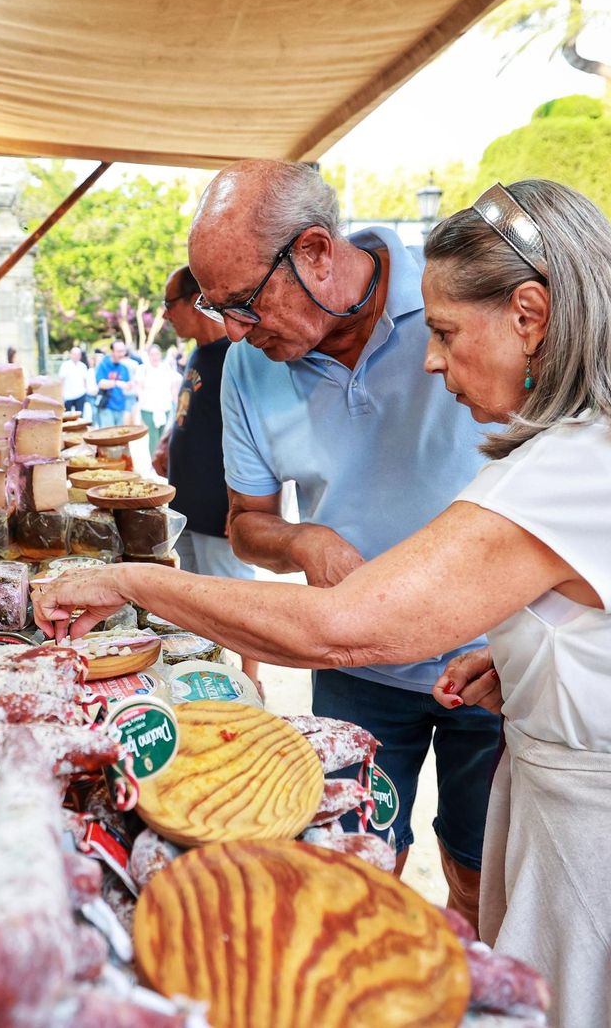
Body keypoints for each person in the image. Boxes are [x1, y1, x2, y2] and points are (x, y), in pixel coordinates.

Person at [36, 178, 611, 1028]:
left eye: (450, 334)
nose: (430, 359)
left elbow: (341, 629)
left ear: (529, 315)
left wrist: (131, 580)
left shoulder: (581, 468)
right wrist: (535, 649)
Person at [173, 160, 499, 922]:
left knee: (483, 869)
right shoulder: (245, 370)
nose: (233, 333)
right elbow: (246, 522)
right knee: (352, 862)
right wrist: (302, 541)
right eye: (218, 310)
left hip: (492, 658)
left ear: (317, 251)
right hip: (355, 663)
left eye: (245, 304)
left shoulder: (450, 299)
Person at [152, 265, 263, 689]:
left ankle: (251, 679)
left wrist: (243, 507)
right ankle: (211, 672)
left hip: (222, 507)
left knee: (236, 600)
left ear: (195, 300)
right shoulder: (200, 352)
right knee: (198, 602)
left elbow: (256, 435)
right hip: (190, 505)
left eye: (168, 305)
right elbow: (191, 413)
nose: (165, 317)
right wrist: (167, 439)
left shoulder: (241, 355)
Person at [132, 343, 181, 454]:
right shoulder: (142, 369)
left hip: (165, 406)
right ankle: (154, 461)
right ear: (148, 356)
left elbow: (173, 386)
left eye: (157, 354)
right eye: (152, 354)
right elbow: (138, 387)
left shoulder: (166, 368)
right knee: (153, 436)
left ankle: (160, 460)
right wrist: (140, 400)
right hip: (148, 407)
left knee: (163, 435)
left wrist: (176, 401)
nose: (155, 357)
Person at [93, 341, 133, 426]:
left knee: (119, 436)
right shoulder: (104, 364)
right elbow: (100, 383)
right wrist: (117, 383)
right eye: (119, 351)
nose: (122, 354)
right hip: (107, 407)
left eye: (123, 351)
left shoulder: (124, 368)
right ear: (112, 351)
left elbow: (127, 386)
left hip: (121, 407)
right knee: (109, 436)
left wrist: (129, 386)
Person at [59, 346, 91, 414]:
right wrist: (60, 394)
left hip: (80, 394)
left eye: (78, 354)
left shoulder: (83, 366)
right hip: (67, 395)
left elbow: (85, 381)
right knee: (67, 415)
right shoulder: (65, 365)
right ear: (71, 354)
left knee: (80, 415)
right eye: (74, 354)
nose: (76, 356)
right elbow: (61, 380)